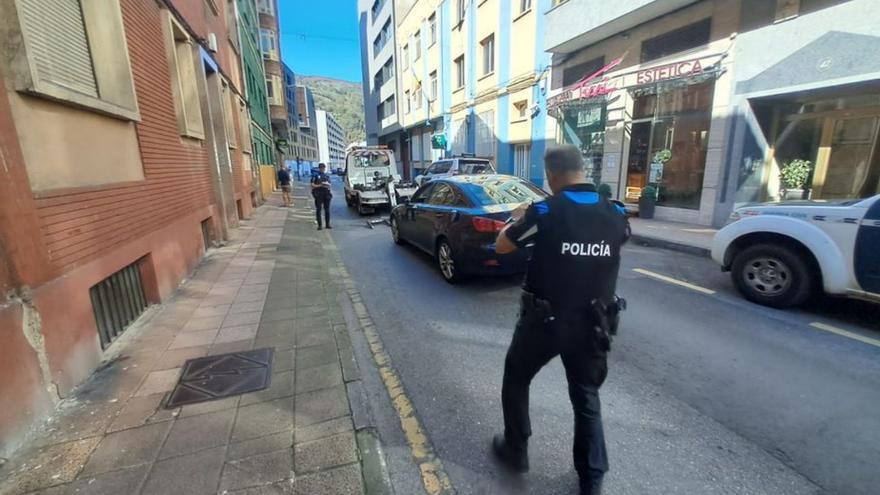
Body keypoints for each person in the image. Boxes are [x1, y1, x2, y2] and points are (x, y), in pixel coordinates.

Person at [491, 145, 629, 495]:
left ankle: (516, 450)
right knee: (586, 397)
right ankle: (592, 478)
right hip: (594, 323)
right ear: (583, 170)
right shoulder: (616, 213)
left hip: (545, 323)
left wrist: (518, 217)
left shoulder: (544, 212)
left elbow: (502, 247)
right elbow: (618, 242)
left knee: (516, 376)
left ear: (551, 175)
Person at [311, 163, 333, 230]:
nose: (323, 169)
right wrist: (320, 185)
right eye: (321, 168)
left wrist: (327, 185)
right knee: (319, 210)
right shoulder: (315, 175)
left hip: (326, 194)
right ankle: (320, 225)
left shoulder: (326, 176)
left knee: (327, 210)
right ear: (319, 168)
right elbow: (312, 185)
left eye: (323, 168)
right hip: (318, 194)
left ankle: (327, 224)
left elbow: (330, 184)